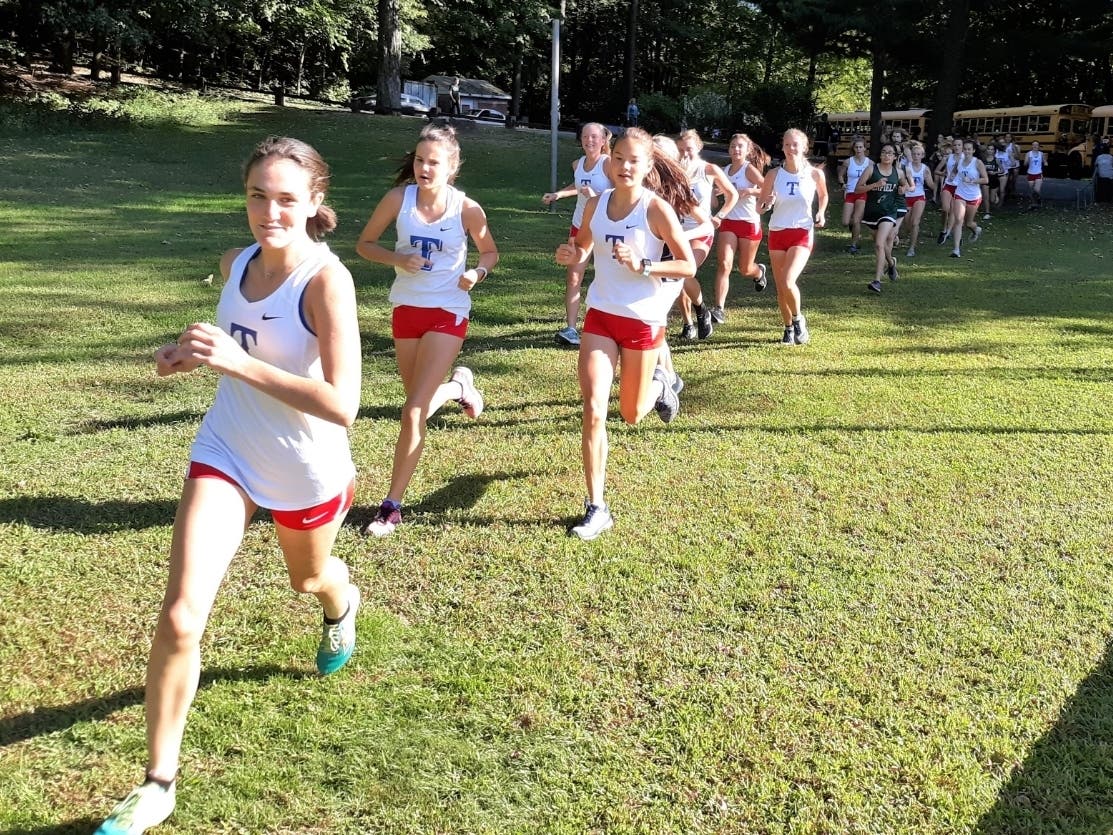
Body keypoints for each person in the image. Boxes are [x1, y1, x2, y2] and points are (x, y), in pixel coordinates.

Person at [94, 136, 363, 835]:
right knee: (182, 614)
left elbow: (343, 403)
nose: (268, 211)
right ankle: (158, 783)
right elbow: (231, 338)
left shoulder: (325, 281)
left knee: (308, 580)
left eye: (284, 198)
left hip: (305, 468)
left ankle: (342, 599)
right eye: (256, 195)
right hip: (228, 452)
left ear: (313, 204)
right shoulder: (234, 261)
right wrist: (185, 353)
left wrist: (236, 363)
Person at [553, 127, 697, 541]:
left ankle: (662, 381)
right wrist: (571, 254)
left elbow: (686, 265)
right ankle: (596, 506)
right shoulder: (596, 203)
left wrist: (645, 265)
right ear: (610, 159)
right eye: (618, 158)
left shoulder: (656, 210)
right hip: (600, 315)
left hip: (643, 320)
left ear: (648, 166)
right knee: (595, 409)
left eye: (634, 160)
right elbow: (581, 247)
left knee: (632, 415)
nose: (624, 166)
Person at [356, 124, 499, 536]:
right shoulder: (398, 199)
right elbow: (365, 244)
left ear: (452, 167)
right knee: (416, 400)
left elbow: (490, 251)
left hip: (448, 310)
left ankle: (391, 506)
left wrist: (477, 271)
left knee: (413, 410)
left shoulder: (467, 208)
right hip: (407, 309)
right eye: (419, 160)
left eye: (433, 162)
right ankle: (460, 387)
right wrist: (396, 259)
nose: (424, 168)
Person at [542, 123, 614, 347]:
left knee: (610, 276)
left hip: (605, 227)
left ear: (603, 141)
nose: (589, 140)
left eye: (594, 137)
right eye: (585, 136)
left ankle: (610, 326)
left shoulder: (609, 163)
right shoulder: (578, 164)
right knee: (574, 276)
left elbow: (620, 192)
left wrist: (598, 196)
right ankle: (571, 329)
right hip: (580, 226)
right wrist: (558, 194)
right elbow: (578, 183)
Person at [758, 128, 828, 345]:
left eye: (795, 144)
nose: (790, 149)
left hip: (801, 231)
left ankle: (798, 320)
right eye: (787, 144)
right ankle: (788, 328)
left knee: (789, 280)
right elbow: (760, 207)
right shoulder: (773, 175)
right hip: (778, 231)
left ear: (804, 147)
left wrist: (821, 212)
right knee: (781, 288)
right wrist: (767, 203)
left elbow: (823, 195)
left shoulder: (814, 174)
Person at [676, 129, 737, 330]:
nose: (685, 153)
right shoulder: (674, 171)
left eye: (690, 149)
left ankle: (701, 310)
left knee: (684, 271)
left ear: (699, 147)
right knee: (677, 279)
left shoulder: (709, 169)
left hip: (701, 231)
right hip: (675, 230)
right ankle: (688, 323)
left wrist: (719, 215)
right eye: (681, 150)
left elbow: (732, 195)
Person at [713, 133, 769, 315]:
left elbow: (767, 190)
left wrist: (749, 191)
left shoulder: (748, 169)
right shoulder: (725, 170)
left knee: (745, 269)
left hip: (748, 223)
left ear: (747, 151)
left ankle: (759, 272)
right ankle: (719, 308)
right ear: (729, 149)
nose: (736, 149)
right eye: (733, 146)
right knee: (724, 264)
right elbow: (716, 191)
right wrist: (715, 193)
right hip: (728, 222)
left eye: (740, 146)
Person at [857, 143, 909, 294]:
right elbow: (857, 188)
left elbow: (905, 185)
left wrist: (902, 189)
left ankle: (877, 281)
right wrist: (875, 185)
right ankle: (891, 263)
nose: (887, 155)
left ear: (894, 157)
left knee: (880, 244)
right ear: (880, 155)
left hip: (889, 212)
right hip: (872, 212)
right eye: (884, 152)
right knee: (881, 245)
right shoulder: (871, 169)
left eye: (890, 153)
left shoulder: (898, 172)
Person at [948, 139, 988, 258]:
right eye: (965, 149)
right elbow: (954, 170)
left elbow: (986, 179)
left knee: (968, 223)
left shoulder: (977, 162)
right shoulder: (959, 161)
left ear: (973, 150)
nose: (966, 151)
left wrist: (972, 180)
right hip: (960, 193)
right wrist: (952, 176)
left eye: (969, 149)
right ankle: (956, 250)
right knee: (958, 220)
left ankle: (976, 229)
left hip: (974, 196)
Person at [837, 137, 871, 254]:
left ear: (865, 148)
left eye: (861, 147)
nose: (858, 149)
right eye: (856, 147)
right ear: (853, 148)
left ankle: (854, 244)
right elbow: (840, 175)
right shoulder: (848, 161)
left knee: (857, 220)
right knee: (846, 222)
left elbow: (875, 176)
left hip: (862, 192)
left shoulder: (869, 163)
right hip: (850, 192)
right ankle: (852, 227)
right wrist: (842, 183)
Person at [902, 141, 934, 257]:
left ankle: (912, 248)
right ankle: (910, 237)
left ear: (922, 155)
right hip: (906, 197)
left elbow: (931, 184)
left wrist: (942, 187)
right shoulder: (906, 167)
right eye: (914, 154)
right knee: (908, 224)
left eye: (918, 154)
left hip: (919, 197)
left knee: (915, 222)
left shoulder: (925, 169)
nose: (916, 156)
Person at [1024, 141, 1045, 208]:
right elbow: (1025, 164)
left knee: (1037, 190)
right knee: (1031, 190)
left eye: (1037, 145)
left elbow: (1044, 162)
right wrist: (1028, 161)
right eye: (1034, 145)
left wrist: (1046, 162)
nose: (1035, 146)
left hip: (1038, 173)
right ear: (1032, 146)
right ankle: (1034, 203)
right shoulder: (1028, 154)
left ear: (1039, 146)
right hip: (1030, 173)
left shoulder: (1041, 154)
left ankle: (1038, 200)